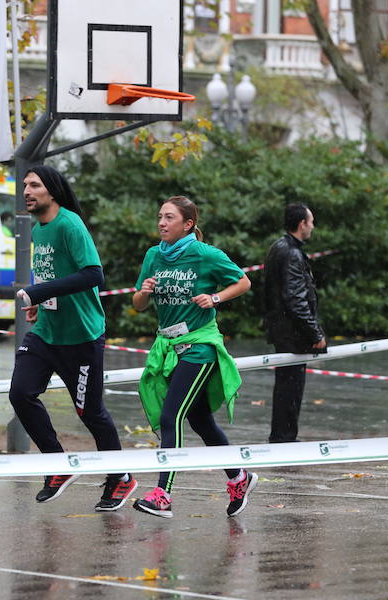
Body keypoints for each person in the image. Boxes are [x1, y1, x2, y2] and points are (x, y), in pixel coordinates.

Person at [9, 165, 137, 512]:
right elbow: (51, 274)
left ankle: (120, 478)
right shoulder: (40, 229)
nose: (27, 191)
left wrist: (39, 291)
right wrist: (41, 303)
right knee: (20, 394)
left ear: (52, 190)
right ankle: (59, 466)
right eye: (25, 186)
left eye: (34, 185)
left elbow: (94, 274)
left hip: (81, 336)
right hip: (47, 333)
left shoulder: (70, 224)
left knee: (90, 413)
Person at [132, 196, 257, 519]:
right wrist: (144, 292)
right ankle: (239, 477)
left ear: (187, 224)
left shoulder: (204, 254)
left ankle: (163, 495)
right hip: (170, 348)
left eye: (169, 218)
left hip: (199, 345)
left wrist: (215, 297)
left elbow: (243, 282)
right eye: (159, 216)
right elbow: (138, 305)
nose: (161, 223)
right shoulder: (153, 256)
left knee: (170, 416)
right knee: (200, 419)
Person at [263, 203, 327, 443]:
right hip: (292, 334)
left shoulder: (279, 247)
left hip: (282, 330)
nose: (312, 226)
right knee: (290, 388)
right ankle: (284, 438)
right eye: (311, 222)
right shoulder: (292, 253)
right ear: (302, 224)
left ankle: (283, 436)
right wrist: (316, 334)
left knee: (285, 387)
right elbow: (296, 299)